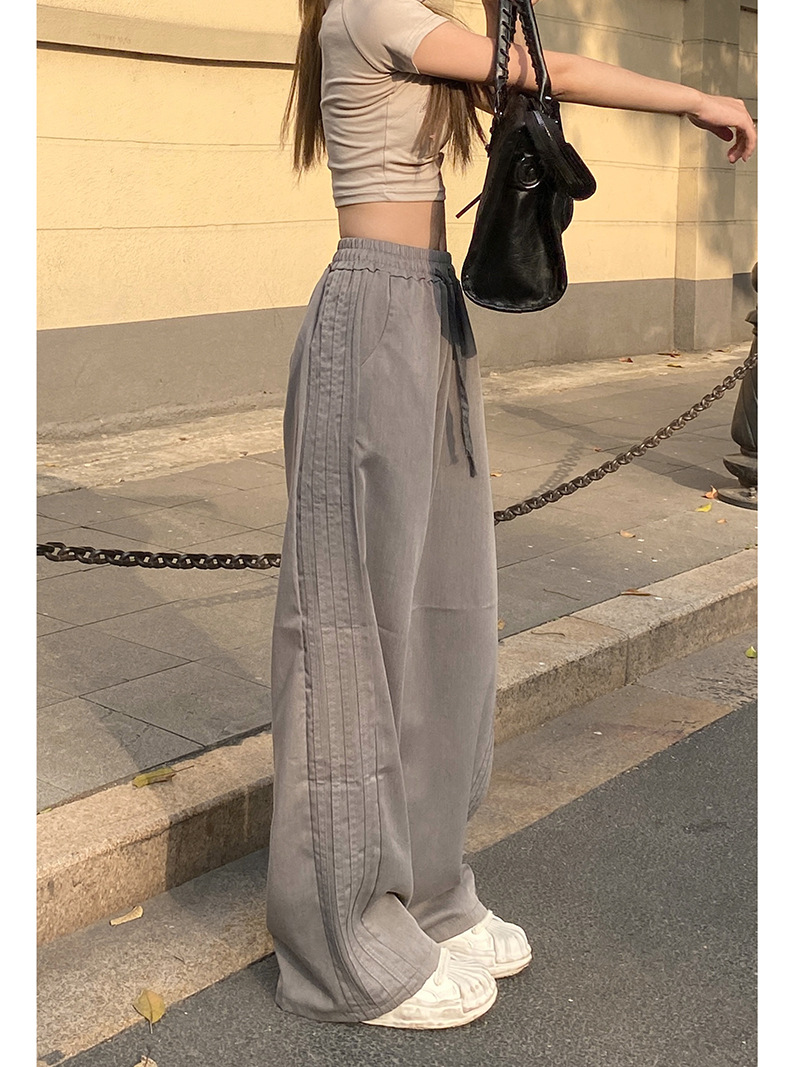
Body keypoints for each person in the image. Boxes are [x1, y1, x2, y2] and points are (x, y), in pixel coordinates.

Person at [267, 0, 757, 1031]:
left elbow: (518, 61)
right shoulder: (367, 8)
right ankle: (341, 942)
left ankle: (427, 891)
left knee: (446, 617)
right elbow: (550, 70)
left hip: (429, 309)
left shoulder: (420, 18)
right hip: (371, 315)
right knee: (352, 632)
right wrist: (693, 98)